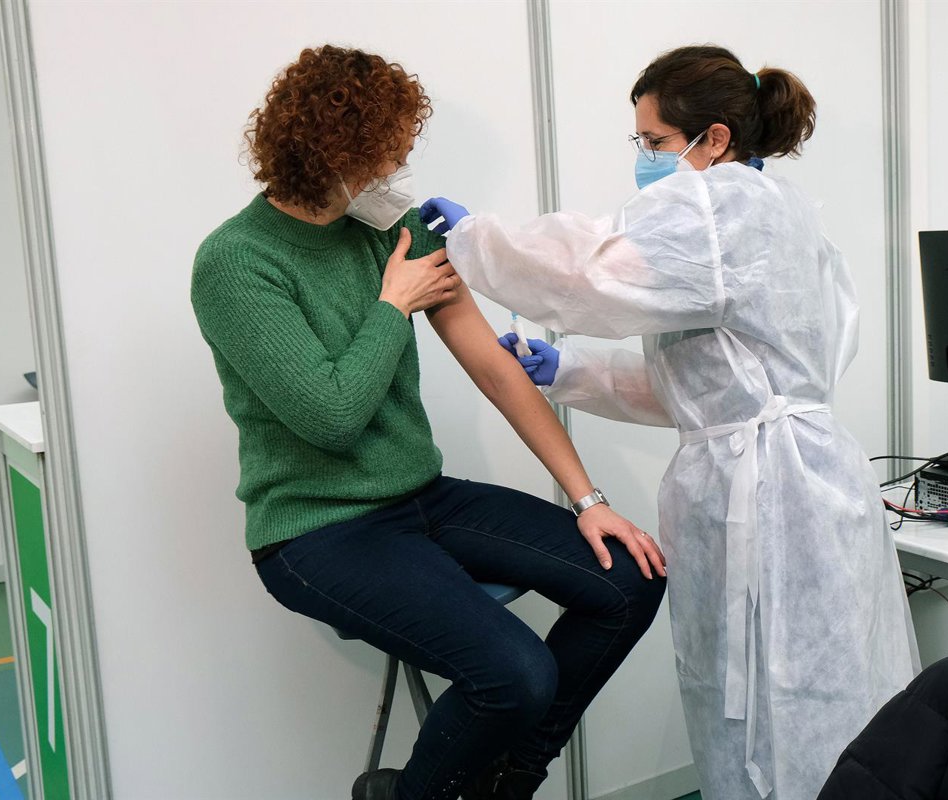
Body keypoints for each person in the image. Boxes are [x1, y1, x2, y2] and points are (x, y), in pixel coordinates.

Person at [420, 45, 919, 800]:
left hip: (775, 493)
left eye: (654, 141)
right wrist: (571, 370)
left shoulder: (719, 208)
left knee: (791, 696)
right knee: (806, 687)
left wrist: (476, 240)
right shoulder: (779, 208)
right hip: (793, 475)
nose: (645, 158)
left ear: (714, 138)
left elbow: (588, 272)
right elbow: (719, 383)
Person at [190, 45, 666, 800]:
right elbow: (332, 418)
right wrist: (393, 304)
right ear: (332, 154)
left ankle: (507, 778)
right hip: (317, 529)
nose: (399, 173)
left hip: (423, 498)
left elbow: (494, 368)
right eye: (386, 156)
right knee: (515, 673)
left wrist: (589, 499)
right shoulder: (236, 261)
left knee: (630, 579)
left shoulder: (393, 228)